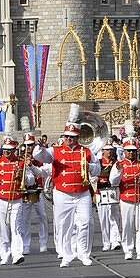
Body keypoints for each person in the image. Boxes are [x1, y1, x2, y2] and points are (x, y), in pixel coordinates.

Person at [34, 115, 100, 268]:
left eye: (73, 137)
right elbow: (40, 156)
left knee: (85, 222)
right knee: (64, 225)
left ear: (78, 137)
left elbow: (97, 169)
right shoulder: (55, 150)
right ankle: (66, 254)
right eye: (68, 136)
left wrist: (89, 167)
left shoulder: (86, 151)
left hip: (82, 192)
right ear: (64, 136)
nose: (70, 139)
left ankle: (83, 253)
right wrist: (40, 147)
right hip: (62, 192)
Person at [0, 133, 37, 265]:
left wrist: (23, 176)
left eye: (10, 149)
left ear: (14, 149)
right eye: (5, 149)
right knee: (2, 227)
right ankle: (4, 254)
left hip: (16, 199)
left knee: (16, 226)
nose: (7, 151)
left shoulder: (21, 162)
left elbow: (31, 180)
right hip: (1, 199)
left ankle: (17, 254)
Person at [109, 138, 140, 260]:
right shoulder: (119, 164)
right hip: (125, 199)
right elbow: (113, 181)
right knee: (127, 225)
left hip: (139, 198)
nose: (131, 153)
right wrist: (118, 170)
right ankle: (128, 250)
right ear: (124, 151)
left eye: (133, 151)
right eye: (128, 151)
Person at [18, 134, 49, 255]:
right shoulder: (20, 158)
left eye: (31, 145)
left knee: (42, 216)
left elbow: (44, 172)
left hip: (37, 190)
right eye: (26, 145)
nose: (28, 147)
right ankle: (26, 245)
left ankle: (43, 242)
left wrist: (32, 164)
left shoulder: (39, 158)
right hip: (25, 191)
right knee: (25, 219)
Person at [95, 140, 122, 251]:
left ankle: (115, 240)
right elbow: (93, 176)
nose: (109, 152)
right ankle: (106, 242)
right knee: (104, 218)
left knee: (115, 216)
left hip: (113, 190)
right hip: (101, 192)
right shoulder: (98, 162)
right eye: (107, 150)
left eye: (111, 150)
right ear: (102, 151)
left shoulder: (116, 162)